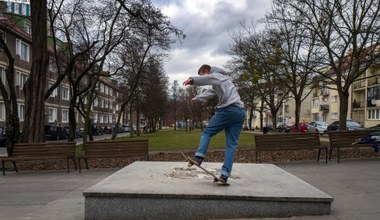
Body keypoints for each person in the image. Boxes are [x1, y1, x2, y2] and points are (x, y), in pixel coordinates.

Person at [183, 64, 245, 185]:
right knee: (231, 145)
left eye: (204, 75)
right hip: (240, 112)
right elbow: (210, 92)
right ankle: (224, 175)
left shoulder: (216, 75)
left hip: (228, 110)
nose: (206, 79)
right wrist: (197, 98)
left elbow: (207, 79)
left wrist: (193, 79)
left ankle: (199, 157)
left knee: (207, 132)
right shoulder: (223, 80)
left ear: (207, 71)